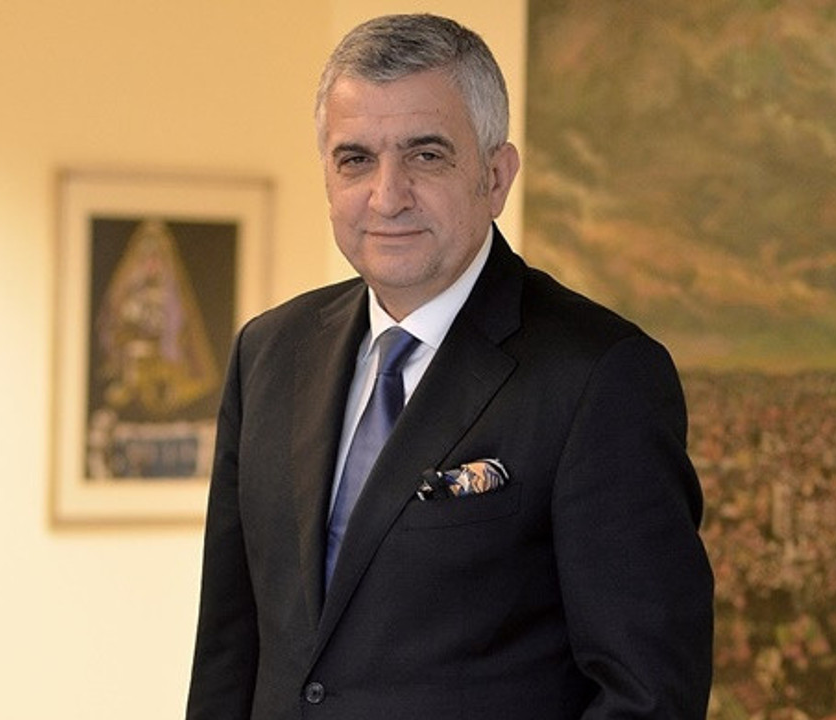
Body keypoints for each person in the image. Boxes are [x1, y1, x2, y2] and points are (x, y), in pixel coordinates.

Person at [187, 13, 713, 720]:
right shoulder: (268, 354)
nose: (387, 195)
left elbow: (648, 696)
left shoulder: (600, 376)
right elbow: (228, 653)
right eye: (355, 160)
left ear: (495, 177)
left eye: (426, 155)